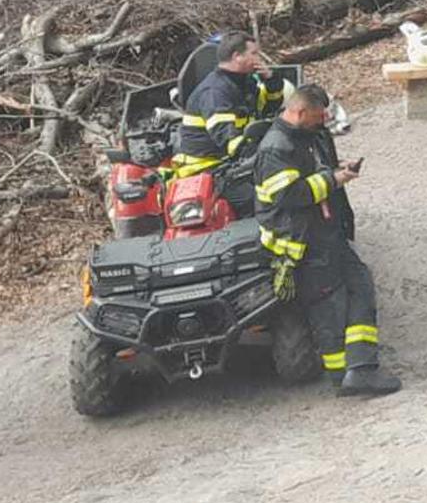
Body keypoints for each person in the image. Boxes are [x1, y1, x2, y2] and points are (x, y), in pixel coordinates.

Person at [252, 82, 397, 396]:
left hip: (324, 234)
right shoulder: (275, 148)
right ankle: (344, 374)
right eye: (319, 116)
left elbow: (312, 173)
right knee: (328, 309)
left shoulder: (305, 136)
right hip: (303, 244)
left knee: (360, 284)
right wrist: (334, 179)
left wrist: (335, 168)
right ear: (300, 112)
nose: (323, 122)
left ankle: (360, 367)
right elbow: (289, 195)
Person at [170, 32, 279, 210]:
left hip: (230, 162)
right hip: (207, 169)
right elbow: (228, 139)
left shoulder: (244, 82)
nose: (259, 59)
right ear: (237, 57)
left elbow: (269, 110)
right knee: (265, 196)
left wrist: (271, 80)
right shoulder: (215, 92)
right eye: (254, 54)